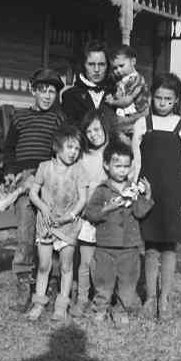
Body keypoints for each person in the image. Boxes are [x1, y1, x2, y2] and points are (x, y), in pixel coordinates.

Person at [131, 72, 181, 320]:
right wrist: (135, 189)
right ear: (152, 97)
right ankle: (149, 297)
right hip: (148, 192)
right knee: (150, 247)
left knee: (169, 247)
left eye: (168, 99)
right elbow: (136, 163)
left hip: (173, 194)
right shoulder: (142, 124)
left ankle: (165, 298)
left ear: (176, 100)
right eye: (158, 98)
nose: (162, 103)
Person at [1, 68, 65, 312]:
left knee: (51, 232)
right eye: (43, 91)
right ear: (33, 91)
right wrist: (10, 171)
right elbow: (9, 150)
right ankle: (23, 286)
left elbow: (61, 151)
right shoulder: (19, 118)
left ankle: (54, 283)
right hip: (25, 179)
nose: (48, 96)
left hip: (48, 178)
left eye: (52, 92)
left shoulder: (58, 119)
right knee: (26, 235)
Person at [84, 140, 153, 325]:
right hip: (105, 246)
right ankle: (100, 309)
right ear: (107, 165)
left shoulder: (133, 189)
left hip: (130, 247)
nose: (122, 170)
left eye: (126, 166)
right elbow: (90, 213)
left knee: (128, 282)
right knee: (103, 281)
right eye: (117, 165)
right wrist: (107, 208)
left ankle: (121, 310)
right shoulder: (102, 190)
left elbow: (139, 212)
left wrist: (147, 197)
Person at [26, 124, 88, 321]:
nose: (73, 152)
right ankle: (38, 303)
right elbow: (33, 193)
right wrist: (43, 208)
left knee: (66, 266)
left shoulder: (79, 169)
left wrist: (70, 216)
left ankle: (61, 304)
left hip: (67, 226)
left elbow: (82, 199)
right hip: (46, 225)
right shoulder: (44, 167)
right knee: (44, 265)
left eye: (77, 149)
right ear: (56, 146)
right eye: (70, 147)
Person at [69, 110, 111, 317]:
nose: (94, 134)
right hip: (87, 217)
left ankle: (103, 300)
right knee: (85, 262)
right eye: (89, 132)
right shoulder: (82, 157)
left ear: (104, 126)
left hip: (109, 217)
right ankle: (82, 298)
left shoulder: (114, 152)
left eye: (96, 129)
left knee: (103, 262)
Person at [61, 40, 116, 126]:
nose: (96, 70)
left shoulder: (116, 93)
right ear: (83, 65)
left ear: (107, 66)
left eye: (101, 64)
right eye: (91, 64)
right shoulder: (70, 96)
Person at [105, 45, 150, 139]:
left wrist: (112, 102)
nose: (118, 70)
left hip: (135, 117)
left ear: (133, 61)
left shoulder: (136, 80)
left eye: (121, 66)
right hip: (126, 118)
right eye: (115, 68)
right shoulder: (123, 80)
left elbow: (127, 101)